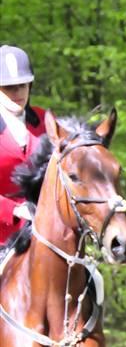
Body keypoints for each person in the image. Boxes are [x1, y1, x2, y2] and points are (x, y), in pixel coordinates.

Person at [0, 45, 46, 247]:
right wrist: (14, 210)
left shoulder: (45, 120)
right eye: (9, 87)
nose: (17, 92)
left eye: (22, 85)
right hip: (3, 235)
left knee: (94, 278)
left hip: (46, 231)